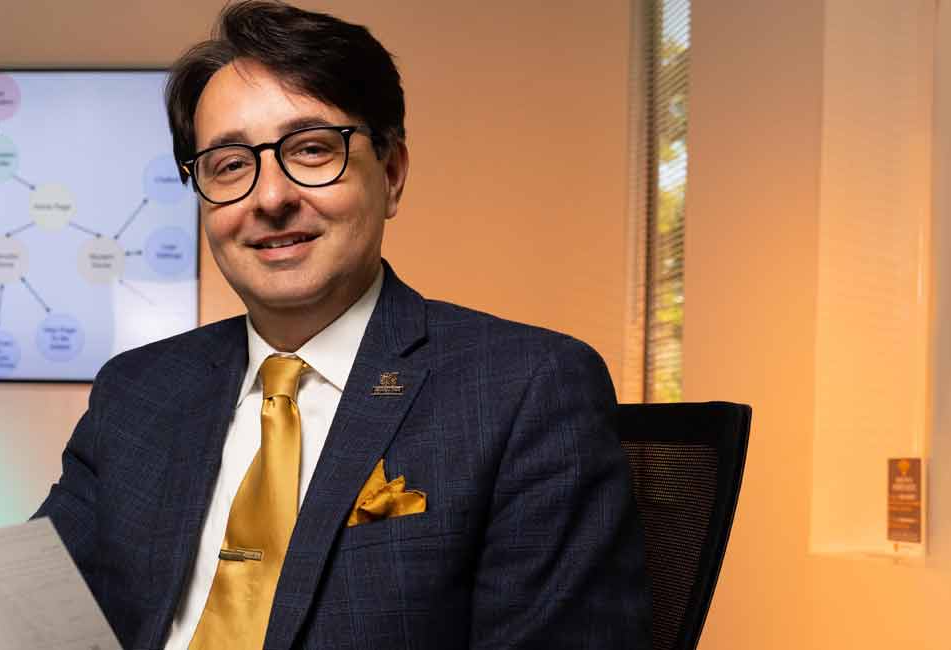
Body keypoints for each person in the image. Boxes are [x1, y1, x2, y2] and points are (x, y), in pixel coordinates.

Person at [32, 2, 651, 648]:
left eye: (311, 149)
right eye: (230, 165)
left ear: (391, 173)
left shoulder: (525, 391)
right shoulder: (136, 392)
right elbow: (26, 612)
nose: (270, 198)